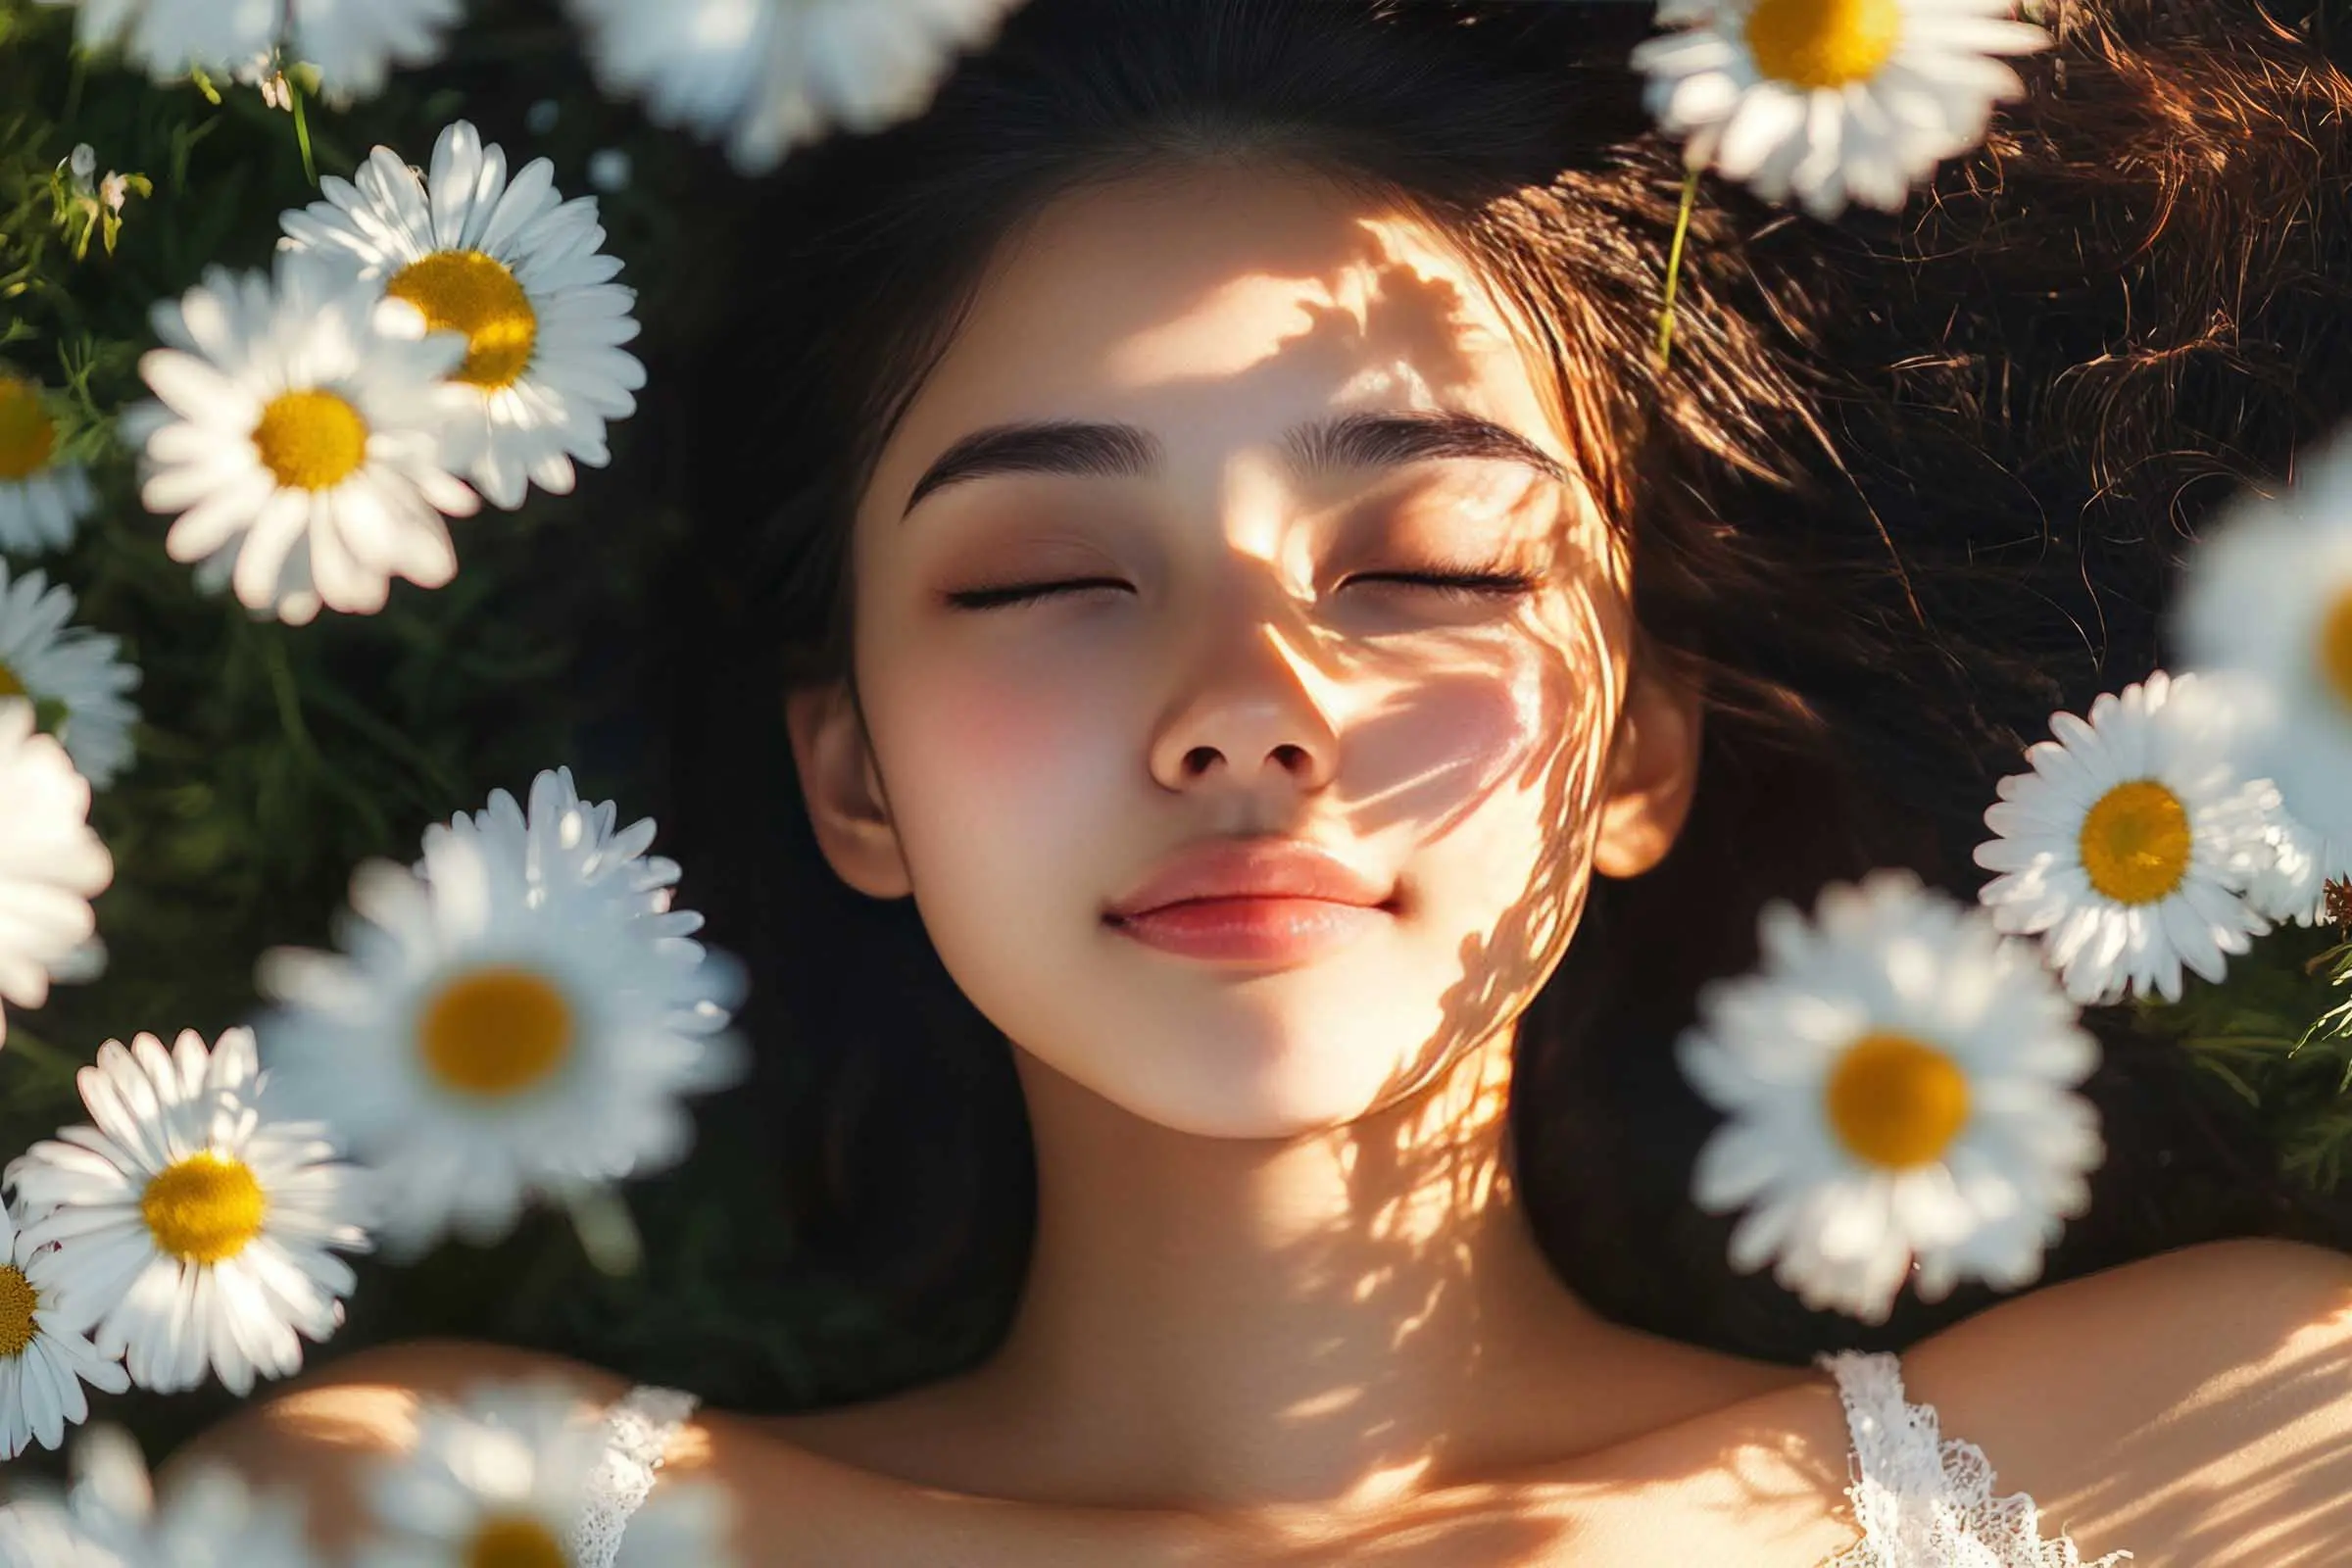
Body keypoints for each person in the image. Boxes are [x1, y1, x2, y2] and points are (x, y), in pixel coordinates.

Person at [175, 0, 2352, 1561]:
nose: (1250, 704)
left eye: (1422, 562)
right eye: (1043, 577)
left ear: (1645, 739)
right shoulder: (428, 1514)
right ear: (849, 767)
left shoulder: (2220, 1447)